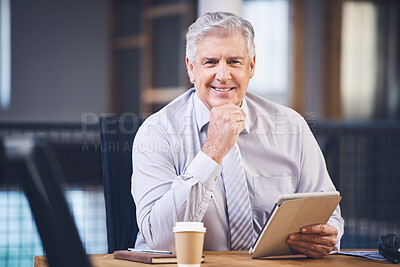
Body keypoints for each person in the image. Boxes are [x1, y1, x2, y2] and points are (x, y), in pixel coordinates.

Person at [131, 12, 344, 259]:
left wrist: (327, 235)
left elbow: (330, 215)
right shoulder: (157, 131)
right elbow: (160, 240)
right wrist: (212, 152)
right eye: (210, 62)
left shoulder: (291, 125)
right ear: (191, 68)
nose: (223, 75)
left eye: (234, 62)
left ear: (251, 66)